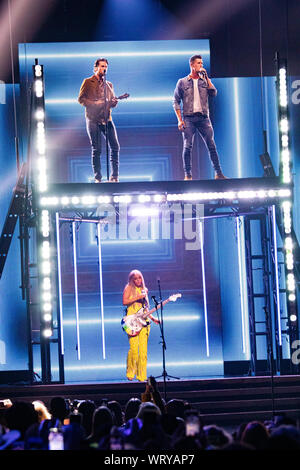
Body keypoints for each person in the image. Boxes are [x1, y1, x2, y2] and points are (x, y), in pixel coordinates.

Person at [173, 54, 226, 181]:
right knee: (187, 146)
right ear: (192, 65)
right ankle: (188, 175)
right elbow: (175, 101)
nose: (201, 65)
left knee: (211, 145)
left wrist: (207, 78)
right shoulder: (182, 82)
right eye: (198, 63)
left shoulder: (204, 81)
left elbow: (213, 93)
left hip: (203, 118)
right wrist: (180, 120)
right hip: (188, 118)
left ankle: (218, 173)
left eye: (202, 63)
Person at [78, 58, 120, 183]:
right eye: (102, 66)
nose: (104, 68)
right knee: (97, 149)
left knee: (115, 146)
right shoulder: (88, 82)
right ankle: (98, 178)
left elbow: (112, 102)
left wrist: (114, 102)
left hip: (107, 119)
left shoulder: (109, 84)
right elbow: (81, 99)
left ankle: (114, 177)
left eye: (106, 66)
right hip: (93, 119)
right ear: (96, 67)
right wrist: (96, 104)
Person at [122, 270, 159, 382]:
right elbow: (124, 301)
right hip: (130, 322)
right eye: (135, 279)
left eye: (140, 278)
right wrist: (138, 297)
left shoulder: (144, 290)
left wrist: (153, 318)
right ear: (132, 280)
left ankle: (142, 376)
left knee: (143, 351)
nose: (138, 280)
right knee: (133, 349)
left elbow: (146, 308)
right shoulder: (128, 288)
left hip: (144, 322)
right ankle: (130, 372)